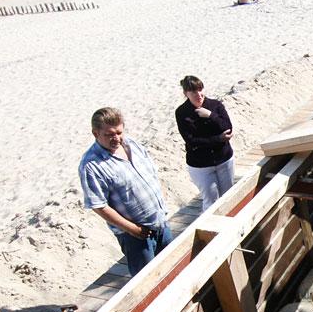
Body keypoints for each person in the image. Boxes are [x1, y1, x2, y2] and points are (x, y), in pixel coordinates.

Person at [79, 107, 172, 277]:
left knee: (172, 269)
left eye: (119, 132)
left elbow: (152, 175)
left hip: (161, 224)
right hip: (136, 237)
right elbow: (99, 206)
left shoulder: (132, 144)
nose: (116, 138)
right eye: (109, 135)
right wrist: (133, 229)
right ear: (95, 133)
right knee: (148, 281)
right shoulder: (91, 165)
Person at [175, 75, 235, 210]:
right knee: (211, 202)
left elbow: (228, 128)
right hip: (201, 165)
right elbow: (192, 141)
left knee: (229, 197)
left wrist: (210, 115)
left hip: (224, 159)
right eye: (193, 91)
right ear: (185, 93)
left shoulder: (215, 105)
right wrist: (218, 139)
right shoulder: (182, 113)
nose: (199, 94)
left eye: (200, 89)